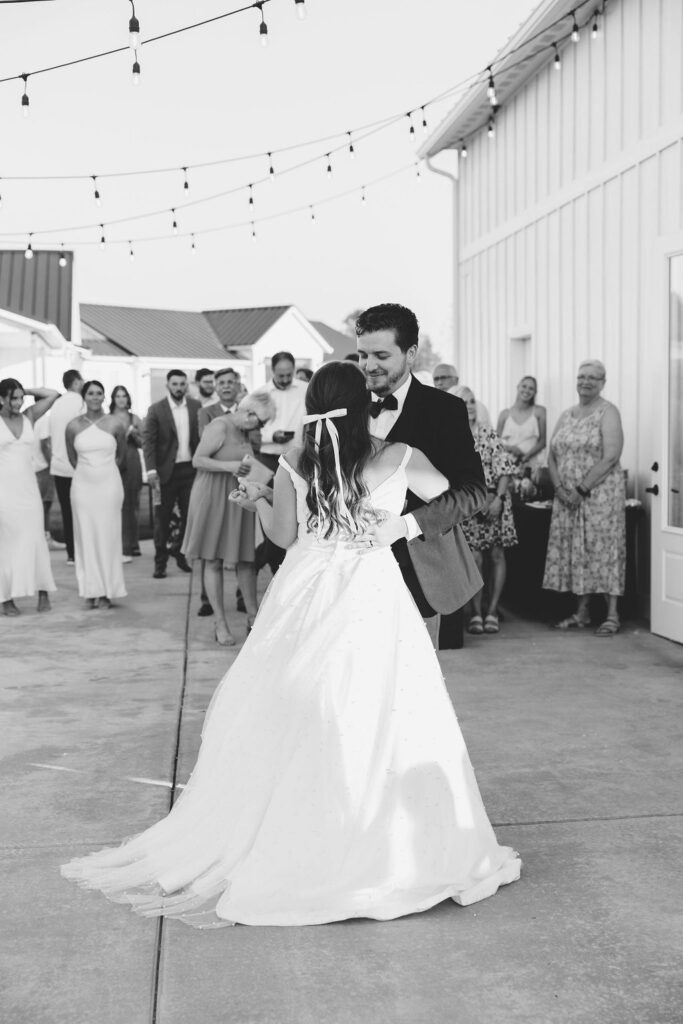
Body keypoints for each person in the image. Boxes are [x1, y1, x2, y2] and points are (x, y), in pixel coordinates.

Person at [61, 360, 521, 927]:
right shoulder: (400, 456)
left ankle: (303, 827)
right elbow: (448, 493)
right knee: (382, 707)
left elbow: (282, 537)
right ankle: (383, 837)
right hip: (371, 589)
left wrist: (256, 498)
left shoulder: (296, 460)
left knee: (298, 710)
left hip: (305, 588)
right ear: (361, 405)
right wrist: (397, 522)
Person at [354, 305, 487, 647]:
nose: (369, 365)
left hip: (419, 569)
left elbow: (472, 492)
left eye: (381, 355)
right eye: (363, 354)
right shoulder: (346, 405)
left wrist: (406, 525)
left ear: (411, 353)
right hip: (351, 570)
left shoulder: (445, 410)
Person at [182, 392, 275, 645]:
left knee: (246, 558)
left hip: (237, 497)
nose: (261, 428)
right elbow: (198, 460)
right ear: (249, 413)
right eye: (261, 422)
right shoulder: (219, 425)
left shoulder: (244, 431)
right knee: (212, 560)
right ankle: (220, 624)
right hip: (211, 496)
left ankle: (253, 618)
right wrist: (231, 467)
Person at [542, 360, 626, 636]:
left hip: (599, 497)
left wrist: (581, 490)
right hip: (567, 497)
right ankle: (581, 612)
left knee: (603, 550)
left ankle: (612, 615)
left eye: (593, 377)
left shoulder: (608, 411)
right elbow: (551, 454)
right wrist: (559, 487)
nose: (586, 381)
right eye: (582, 376)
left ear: (603, 382)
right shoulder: (566, 415)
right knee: (576, 551)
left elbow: (611, 455)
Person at [455, 387, 517, 635]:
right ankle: (476, 613)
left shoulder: (488, 433)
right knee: (475, 558)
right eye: (462, 402)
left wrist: (498, 499)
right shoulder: (453, 436)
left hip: (497, 498)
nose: (469, 406)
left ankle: (492, 610)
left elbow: (504, 469)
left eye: (471, 401)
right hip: (470, 502)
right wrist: (475, 500)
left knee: (497, 556)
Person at [0, 378, 60, 615]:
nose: (18, 402)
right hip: (4, 491)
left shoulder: (29, 417)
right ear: (2, 398)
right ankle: (6, 599)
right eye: (13, 398)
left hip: (29, 489)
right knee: (6, 543)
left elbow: (52, 394)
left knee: (35, 539)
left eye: (20, 397)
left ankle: (43, 593)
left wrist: (24, 389)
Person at [66, 381, 127, 610]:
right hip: (82, 487)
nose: (95, 397)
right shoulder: (72, 426)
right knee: (86, 537)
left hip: (109, 485)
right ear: (84, 396)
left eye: (99, 393)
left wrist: (104, 471)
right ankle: (91, 590)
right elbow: (72, 458)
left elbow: (120, 456)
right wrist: (88, 473)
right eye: (90, 393)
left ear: (104, 397)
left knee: (108, 536)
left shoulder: (115, 423)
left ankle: (107, 591)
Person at [142, 370, 201, 579]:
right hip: (164, 473)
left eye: (182, 384)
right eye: (175, 384)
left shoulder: (195, 406)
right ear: (168, 385)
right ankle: (160, 562)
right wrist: (150, 470)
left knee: (189, 516)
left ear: (186, 385)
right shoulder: (156, 409)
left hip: (189, 470)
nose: (178, 387)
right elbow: (148, 442)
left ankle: (179, 550)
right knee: (162, 519)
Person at [253, 352, 307, 575]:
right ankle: (264, 567)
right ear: (272, 371)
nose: (285, 379)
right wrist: (271, 437)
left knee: (297, 515)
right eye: (280, 375)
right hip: (268, 459)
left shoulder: (306, 389)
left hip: (299, 459)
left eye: (288, 375)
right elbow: (250, 432)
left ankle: (285, 569)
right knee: (270, 518)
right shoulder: (259, 394)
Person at [49, 369, 84, 565]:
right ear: (77, 382)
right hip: (77, 466)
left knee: (67, 511)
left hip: (58, 466)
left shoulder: (56, 404)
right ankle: (81, 550)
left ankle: (71, 554)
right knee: (82, 510)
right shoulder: (80, 402)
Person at [110, 386, 143, 562]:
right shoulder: (108, 418)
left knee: (132, 503)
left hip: (131, 460)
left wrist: (134, 434)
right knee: (116, 503)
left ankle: (133, 543)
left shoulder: (134, 418)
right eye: (118, 396)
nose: (121, 399)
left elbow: (144, 443)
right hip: (113, 460)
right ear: (113, 399)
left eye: (124, 396)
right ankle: (118, 544)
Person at [496, 376, 547, 476]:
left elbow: (542, 442)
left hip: (531, 465)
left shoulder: (540, 412)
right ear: (518, 387)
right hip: (507, 466)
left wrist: (525, 457)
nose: (527, 390)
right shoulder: (504, 414)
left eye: (531, 388)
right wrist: (511, 449)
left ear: (535, 393)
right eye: (524, 386)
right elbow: (496, 444)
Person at [31, 409, 66, 551]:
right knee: (45, 504)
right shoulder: (44, 419)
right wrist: (53, 465)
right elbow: (45, 444)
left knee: (43, 504)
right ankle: (45, 538)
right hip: (44, 467)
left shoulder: (35, 420)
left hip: (38, 466)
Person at [197, 367, 240, 435]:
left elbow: (255, 441)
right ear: (216, 388)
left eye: (230, 382)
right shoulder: (206, 413)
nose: (226, 386)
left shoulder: (247, 412)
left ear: (238, 386)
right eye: (221, 383)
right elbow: (206, 441)